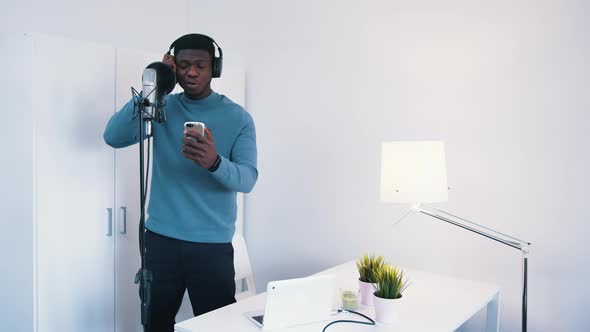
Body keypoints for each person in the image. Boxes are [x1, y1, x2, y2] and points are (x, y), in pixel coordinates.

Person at [103, 33, 258, 331]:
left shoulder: (238, 118)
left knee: (216, 326)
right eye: (184, 64)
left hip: (211, 247)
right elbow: (113, 136)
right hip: (160, 242)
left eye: (200, 65)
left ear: (215, 67)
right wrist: (154, 87)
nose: (191, 71)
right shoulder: (160, 107)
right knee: (155, 324)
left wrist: (214, 162)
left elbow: (248, 179)